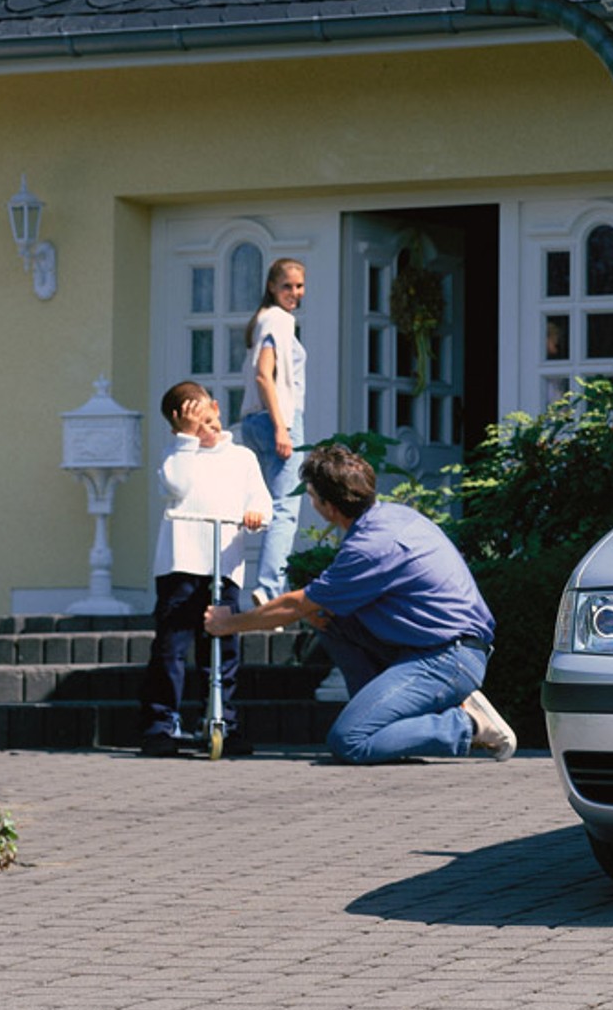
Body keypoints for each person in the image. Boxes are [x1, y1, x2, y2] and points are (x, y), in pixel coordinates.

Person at [204, 443, 516, 764]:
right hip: (441, 649)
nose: (311, 502)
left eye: (311, 496)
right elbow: (314, 606)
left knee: (349, 740)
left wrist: (227, 623)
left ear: (329, 506)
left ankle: (466, 725)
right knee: (327, 616)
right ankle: (383, 720)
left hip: (448, 658)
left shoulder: (370, 547)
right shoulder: (391, 516)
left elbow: (295, 606)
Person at [138, 382, 272, 757]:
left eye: (211, 422)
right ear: (180, 429)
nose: (208, 432)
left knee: (222, 647)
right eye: (198, 427)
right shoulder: (177, 456)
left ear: (216, 408)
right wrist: (185, 440)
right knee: (171, 648)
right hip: (181, 564)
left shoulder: (242, 457)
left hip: (224, 566)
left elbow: (261, 499)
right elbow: (176, 486)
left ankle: (222, 720)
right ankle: (162, 723)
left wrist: (257, 514)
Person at [238, 257, 307, 607]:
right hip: (276, 419)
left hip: (252, 421)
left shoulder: (262, 320)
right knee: (285, 509)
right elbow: (265, 374)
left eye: (299, 286)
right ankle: (268, 592)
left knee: (262, 507)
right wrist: (282, 427)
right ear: (271, 286)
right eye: (287, 286)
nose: (294, 293)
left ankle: (245, 584)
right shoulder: (279, 320)